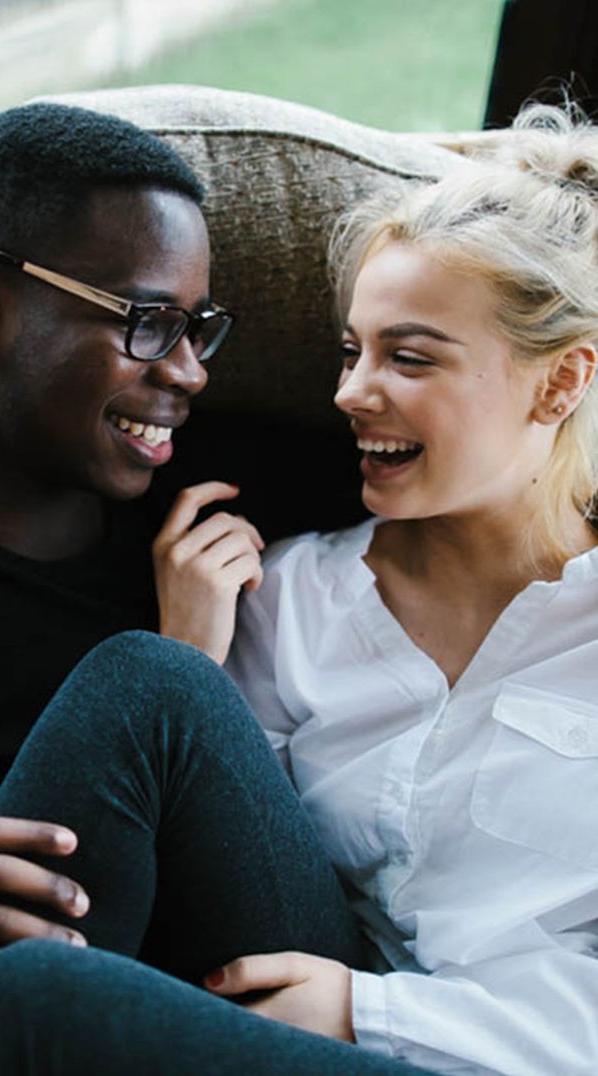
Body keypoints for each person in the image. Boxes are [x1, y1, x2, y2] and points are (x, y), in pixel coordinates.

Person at [0, 103, 433, 1074]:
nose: (186, 370)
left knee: (155, 683)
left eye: (198, 329)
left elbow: (495, 436)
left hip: (229, 1005)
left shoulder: (227, 490)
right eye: (144, 321)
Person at [225, 103, 598, 1075]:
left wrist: (372, 1010)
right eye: (352, 349)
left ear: (557, 384)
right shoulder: (290, 597)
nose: (350, 391)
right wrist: (189, 656)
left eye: (409, 355)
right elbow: (215, 867)